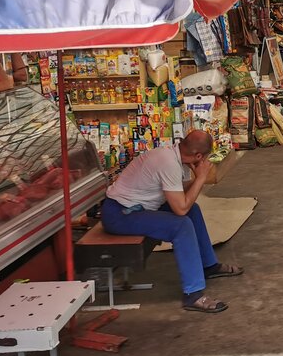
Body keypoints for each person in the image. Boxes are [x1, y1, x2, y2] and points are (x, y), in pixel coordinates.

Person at [101, 131, 242, 314]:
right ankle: (193, 294)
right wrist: (201, 178)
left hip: (135, 207)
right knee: (181, 225)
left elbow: (176, 192)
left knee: (193, 210)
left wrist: (196, 178)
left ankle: (209, 265)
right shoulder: (169, 163)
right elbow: (180, 209)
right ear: (199, 156)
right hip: (119, 214)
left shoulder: (173, 155)